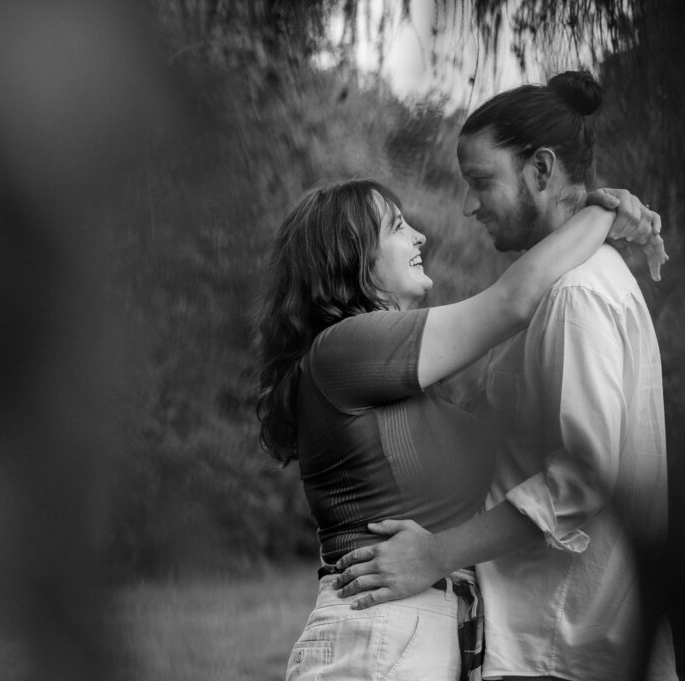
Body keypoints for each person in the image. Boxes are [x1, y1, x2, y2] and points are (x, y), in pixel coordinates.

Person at [331, 71, 676, 681]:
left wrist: (435, 553)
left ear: (541, 171)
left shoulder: (576, 296)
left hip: (562, 649)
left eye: (481, 181)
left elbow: (580, 480)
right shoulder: (568, 288)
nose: (470, 205)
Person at [255, 175, 660, 679]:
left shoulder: (405, 392)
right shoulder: (344, 348)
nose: (420, 236)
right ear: (351, 255)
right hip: (377, 632)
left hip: (420, 635)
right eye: (398, 227)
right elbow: (510, 301)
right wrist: (606, 211)